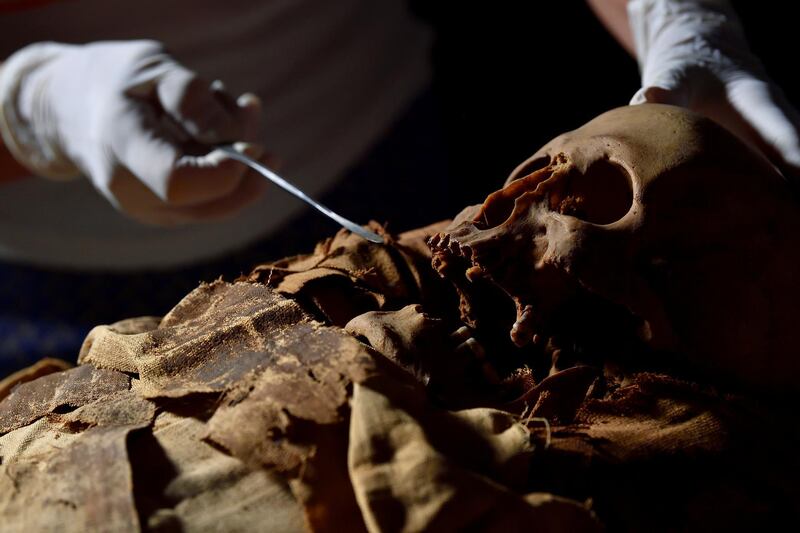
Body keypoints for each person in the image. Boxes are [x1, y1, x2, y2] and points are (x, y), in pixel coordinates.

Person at [1, 0, 797, 376]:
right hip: (52, 267)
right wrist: (29, 105)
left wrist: (668, 10)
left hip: (374, 130)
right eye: (534, 198)